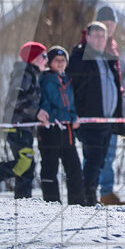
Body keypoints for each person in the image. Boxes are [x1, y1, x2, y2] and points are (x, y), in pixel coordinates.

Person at [0, 42, 50, 196]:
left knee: (26, 164)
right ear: (34, 58)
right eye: (44, 56)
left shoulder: (31, 74)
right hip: (17, 127)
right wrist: (36, 111)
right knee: (25, 162)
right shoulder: (24, 73)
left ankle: (20, 198)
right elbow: (15, 99)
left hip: (23, 127)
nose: (46, 59)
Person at [70, 21, 125, 206]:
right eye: (96, 36)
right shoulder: (79, 58)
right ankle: (87, 200)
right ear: (88, 37)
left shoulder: (107, 59)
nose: (100, 39)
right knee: (93, 161)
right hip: (89, 121)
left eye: (103, 36)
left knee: (100, 162)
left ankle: (89, 198)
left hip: (107, 121)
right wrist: (74, 113)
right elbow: (71, 88)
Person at [90, 6, 125, 206]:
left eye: (111, 24)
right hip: (97, 111)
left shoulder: (112, 46)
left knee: (110, 153)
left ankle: (106, 193)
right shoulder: (91, 46)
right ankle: (89, 191)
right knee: (95, 153)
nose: (108, 28)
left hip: (113, 109)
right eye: (105, 24)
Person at [38, 46, 84, 205]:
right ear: (49, 62)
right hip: (50, 130)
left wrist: (74, 117)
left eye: (63, 60)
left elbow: (71, 105)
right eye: (56, 60)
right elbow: (45, 105)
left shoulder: (68, 80)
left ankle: (77, 204)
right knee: (50, 168)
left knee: (74, 169)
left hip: (68, 130)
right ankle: (52, 204)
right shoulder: (44, 79)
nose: (60, 63)